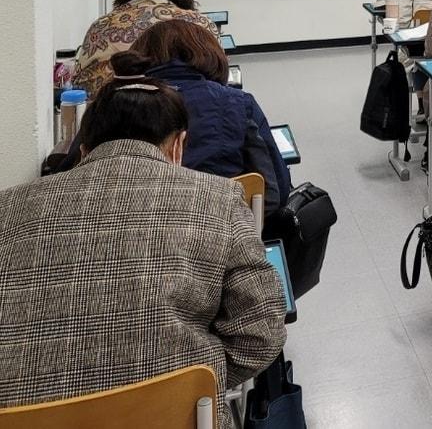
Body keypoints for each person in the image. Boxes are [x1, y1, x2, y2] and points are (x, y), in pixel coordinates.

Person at [0, 77, 286, 429]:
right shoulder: (217, 198)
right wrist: (189, 382)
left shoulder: (7, 206)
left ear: (84, 149)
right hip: (176, 416)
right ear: (179, 146)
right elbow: (262, 334)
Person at [116, 20, 291, 214]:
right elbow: (275, 192)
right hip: (223, 230)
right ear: (210, 55)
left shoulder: (111, 104)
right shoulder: (238, 102)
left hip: (128, 234)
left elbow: (76, 172)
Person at [73, 0, 218, 94]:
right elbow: (218, 76)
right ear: (184, 4)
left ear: (125, 3)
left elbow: (82, 86)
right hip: (198, 113)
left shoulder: (104, 24)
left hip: (119, 115)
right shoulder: (202, 23)